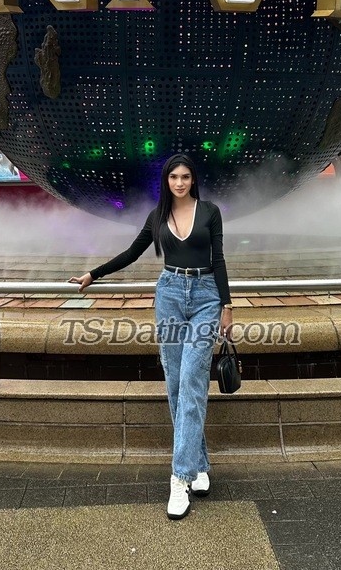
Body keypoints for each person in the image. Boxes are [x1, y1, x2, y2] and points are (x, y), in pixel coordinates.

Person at [70, 153, 233, 520]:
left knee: (192, 379)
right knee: (175, 384)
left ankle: (180, 477)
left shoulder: (210, 212)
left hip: (206, 296)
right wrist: (93, 274)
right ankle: (199, 464)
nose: (180, 182)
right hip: (170, 294)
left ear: (193, 179)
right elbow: (132, 253)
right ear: (166, 181)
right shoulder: (157, 217)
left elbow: (219, 259)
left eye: (185, 176)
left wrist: (227, 304)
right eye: (174, 177)